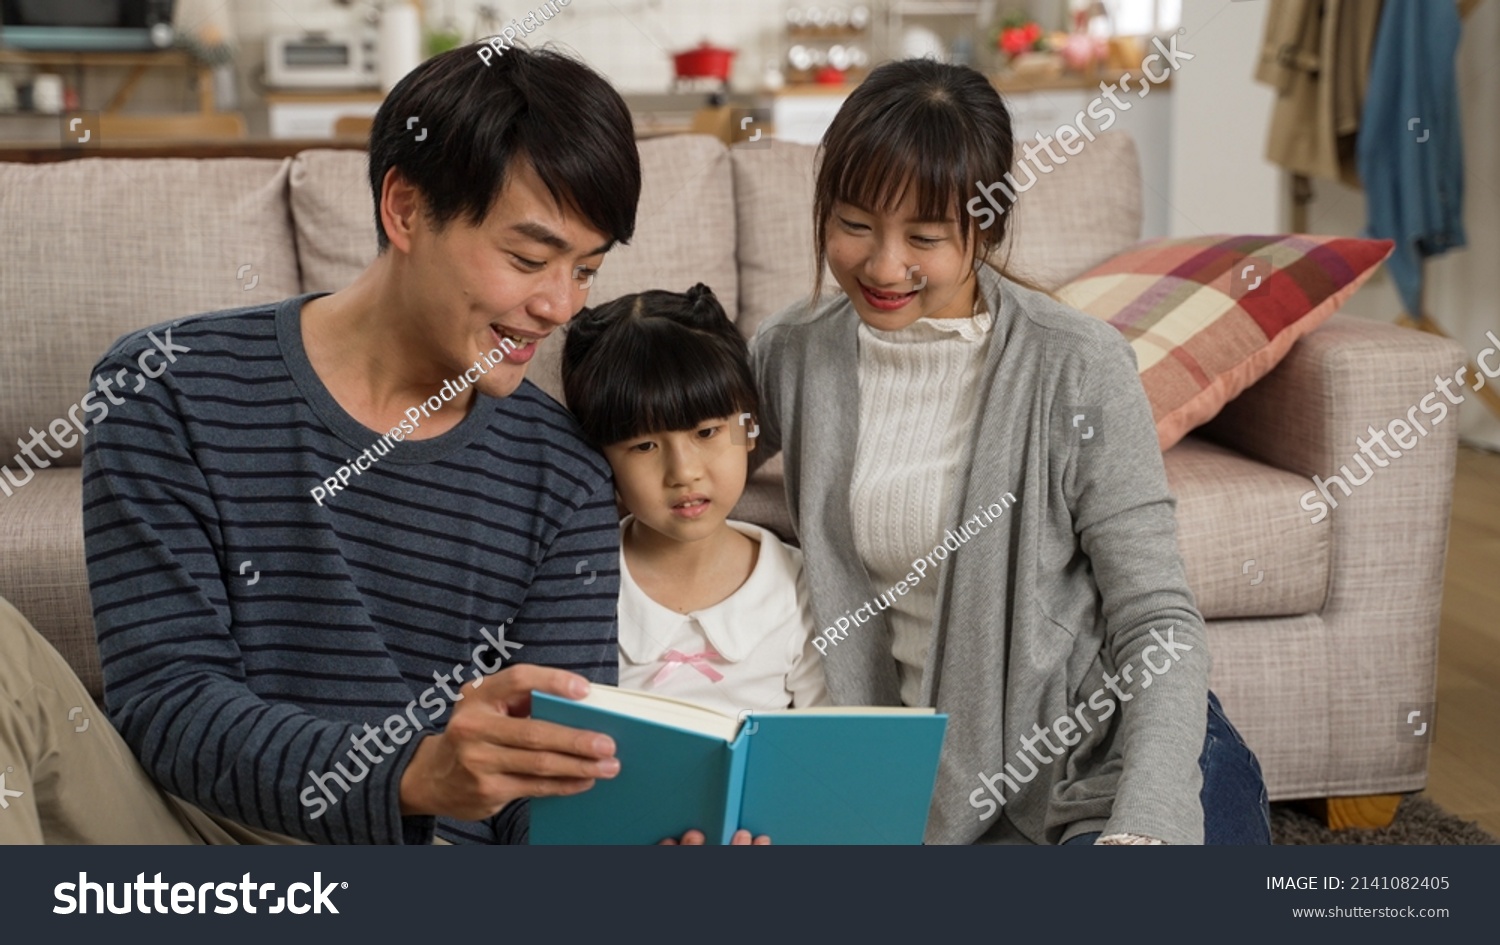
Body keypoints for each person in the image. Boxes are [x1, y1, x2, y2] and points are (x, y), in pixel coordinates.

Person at [0, 43, 761, 846]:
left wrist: (641, 847)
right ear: (404, 210)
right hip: (191, 834)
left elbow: (548, 790)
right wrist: (405, 771)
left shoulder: (563, 473)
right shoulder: (166, 387)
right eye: (530, 258)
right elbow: (169, 702)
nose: (557, 305)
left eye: (586, 270)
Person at [748, 58, 1271, 845]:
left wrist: (1150, 818)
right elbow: (678, 445)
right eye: (854, 224)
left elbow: (1158, 615)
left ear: (985, 225)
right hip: (922, 790)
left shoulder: (1076, 363)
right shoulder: (792, 353)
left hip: (1099, 764)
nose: (884, 266)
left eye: (925, 236)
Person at [561, 284, 827, 717]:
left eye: (706, 433)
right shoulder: (576, 582)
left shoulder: (799, 588)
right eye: (644, 446)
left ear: (748, 428)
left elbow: (824, 749)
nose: (684, 472)